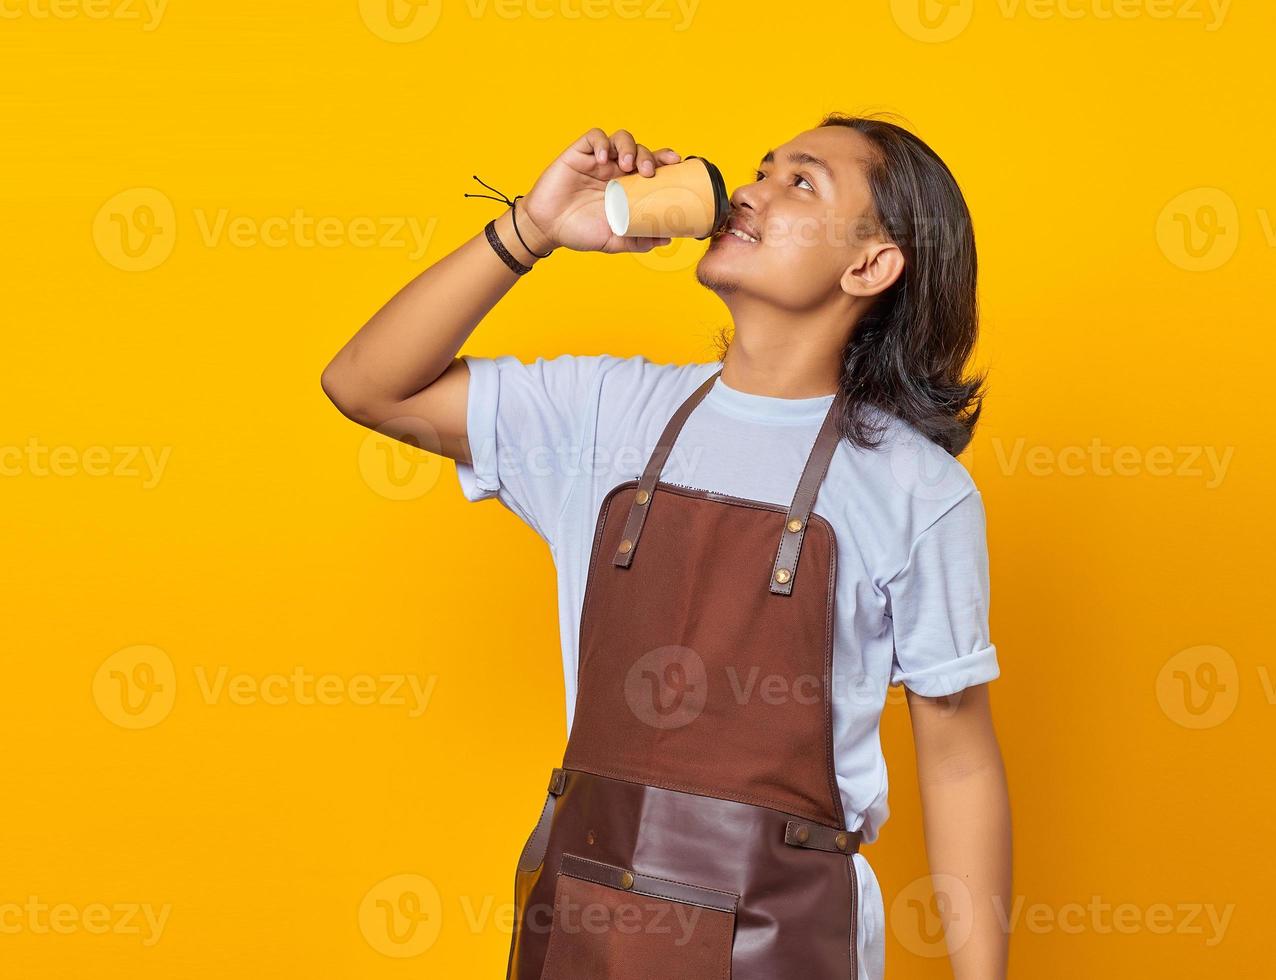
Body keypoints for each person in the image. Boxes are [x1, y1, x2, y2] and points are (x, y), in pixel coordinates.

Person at [322, 113, 1011, 980]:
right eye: (762, 169)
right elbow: (364, 384)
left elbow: (958, 764)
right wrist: (533, 228)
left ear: (869, 265)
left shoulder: (919, 492)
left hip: (786, 939)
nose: (751, 190)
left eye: (801, 182)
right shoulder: (604, 413)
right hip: (581, 916)